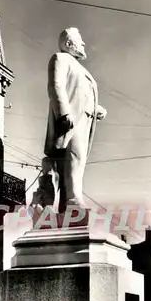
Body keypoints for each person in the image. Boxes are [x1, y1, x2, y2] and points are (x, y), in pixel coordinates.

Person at [39, 27, 107, 214]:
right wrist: (63, 113)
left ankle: (70, 199)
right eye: (80, 39)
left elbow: (81, 95)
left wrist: (95, 109)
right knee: (74, 156)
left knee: (79, 159)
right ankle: (72, 199)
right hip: (70, 119)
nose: (84, 43)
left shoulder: (81, 69)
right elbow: (55, 86)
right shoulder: (59, 59)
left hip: (84, 119)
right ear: (68, 44)